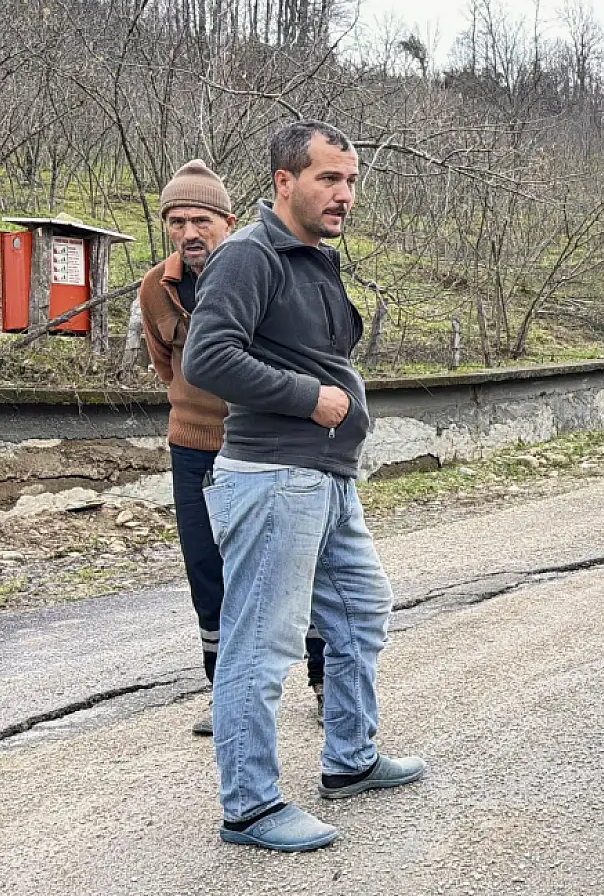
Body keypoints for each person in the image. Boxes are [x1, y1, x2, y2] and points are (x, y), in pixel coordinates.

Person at [184, 120, 424, 853]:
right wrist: (308, 396)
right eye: (328, 178)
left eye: (350, 181)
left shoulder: (314, 256)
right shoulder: (248, 255)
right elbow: (207, 357)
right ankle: (250, 806)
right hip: (273, 479)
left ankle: (350, 759)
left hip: (325, 478)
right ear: (284, 181)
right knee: (261, 644)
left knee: (359, 611)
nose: (344, 193)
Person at [138, 159, 327, 737]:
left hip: (269, 444)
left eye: (201, 220)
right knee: (207, 569)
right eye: (176, 222)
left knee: (300, 565)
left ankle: (325, 682)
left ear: (228, 220)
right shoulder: (157, 288)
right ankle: (224, 694)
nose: (189, 233)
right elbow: (166, 366)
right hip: (194, 447)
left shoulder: (262, 270)